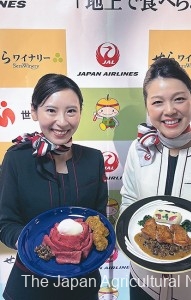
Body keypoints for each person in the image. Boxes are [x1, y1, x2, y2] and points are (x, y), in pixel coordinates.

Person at [120, 58, 191, 300]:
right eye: (158, 102)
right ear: (147, 107)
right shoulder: (140, 149)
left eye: (179, 98)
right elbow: (129, 201)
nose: (169, 110)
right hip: (143, 283)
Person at [0, 73, 108, 300]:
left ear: (80, 112)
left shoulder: (94, 159)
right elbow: (5, 221)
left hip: (83, 280)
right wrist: (28, 243)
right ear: (33, 111)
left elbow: (97, 216)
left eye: (71, 110)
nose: (62, 121)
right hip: (29, 281)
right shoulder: (16, 159)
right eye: (51, 110)